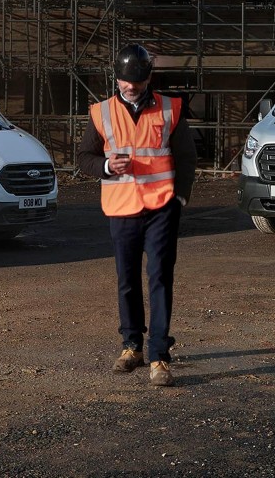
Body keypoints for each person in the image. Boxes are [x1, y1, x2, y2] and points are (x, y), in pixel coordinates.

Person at [76, 44, 196, 387]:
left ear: (148, 79)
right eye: (125, 81)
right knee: (126, 281)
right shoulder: (101, 113)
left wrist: (180, 198)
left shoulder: (170, 108)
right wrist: (106, 166)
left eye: (137, 82)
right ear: (117, 79)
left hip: (161, 207)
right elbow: (84, 157)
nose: (131, 87)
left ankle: (159, 354)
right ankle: (131, 346)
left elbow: (186, 156)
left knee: (159, 278)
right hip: (121, 208)